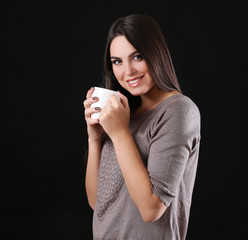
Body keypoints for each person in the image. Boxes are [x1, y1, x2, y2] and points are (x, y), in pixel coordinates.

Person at [84, 14, 200, 240]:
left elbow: (151, 209)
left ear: (156, 53)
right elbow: (97, 202)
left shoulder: (178, 111)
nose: (127, 71)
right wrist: (95, 138)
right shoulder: (125, 114)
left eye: (137, 57)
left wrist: (119, 133)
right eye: (117, 61)